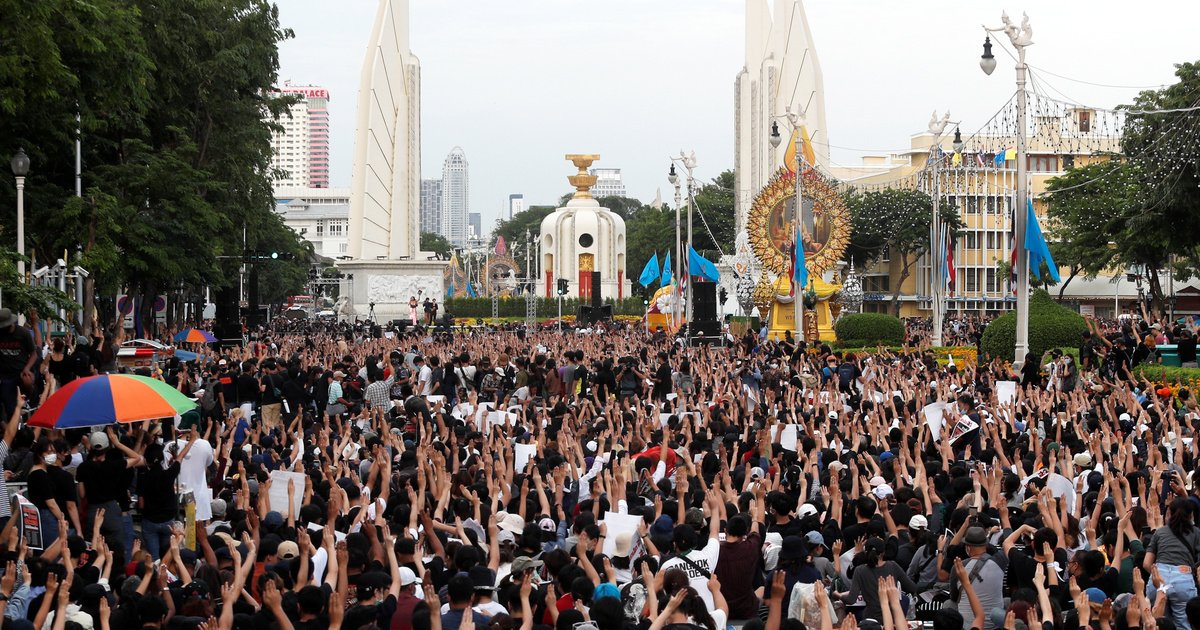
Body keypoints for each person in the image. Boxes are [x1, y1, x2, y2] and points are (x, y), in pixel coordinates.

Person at [0, 308, 35, 419]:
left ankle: (28, 402)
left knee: (27, 383)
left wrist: (27, 368)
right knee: (10, 406)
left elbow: (34, 354)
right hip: (5, 375)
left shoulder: (23, 333)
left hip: (21, 371)